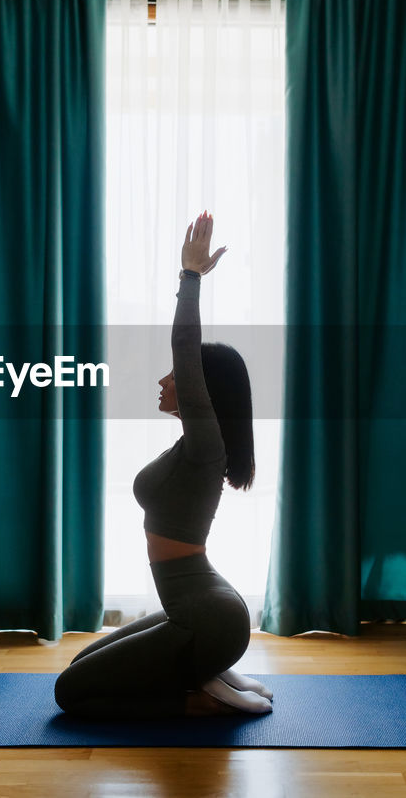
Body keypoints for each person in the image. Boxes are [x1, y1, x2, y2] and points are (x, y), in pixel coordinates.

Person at [54, 211, 273, 718]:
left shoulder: (206, 447)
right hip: (201, 606)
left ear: (200, 389)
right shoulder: (193, 449)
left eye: (174, 377)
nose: (163, 382)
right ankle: (207, 669)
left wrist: (189, 277)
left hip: (206, 616)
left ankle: (201, 685)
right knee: (81, 666)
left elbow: (185, 348)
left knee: (70, 695)